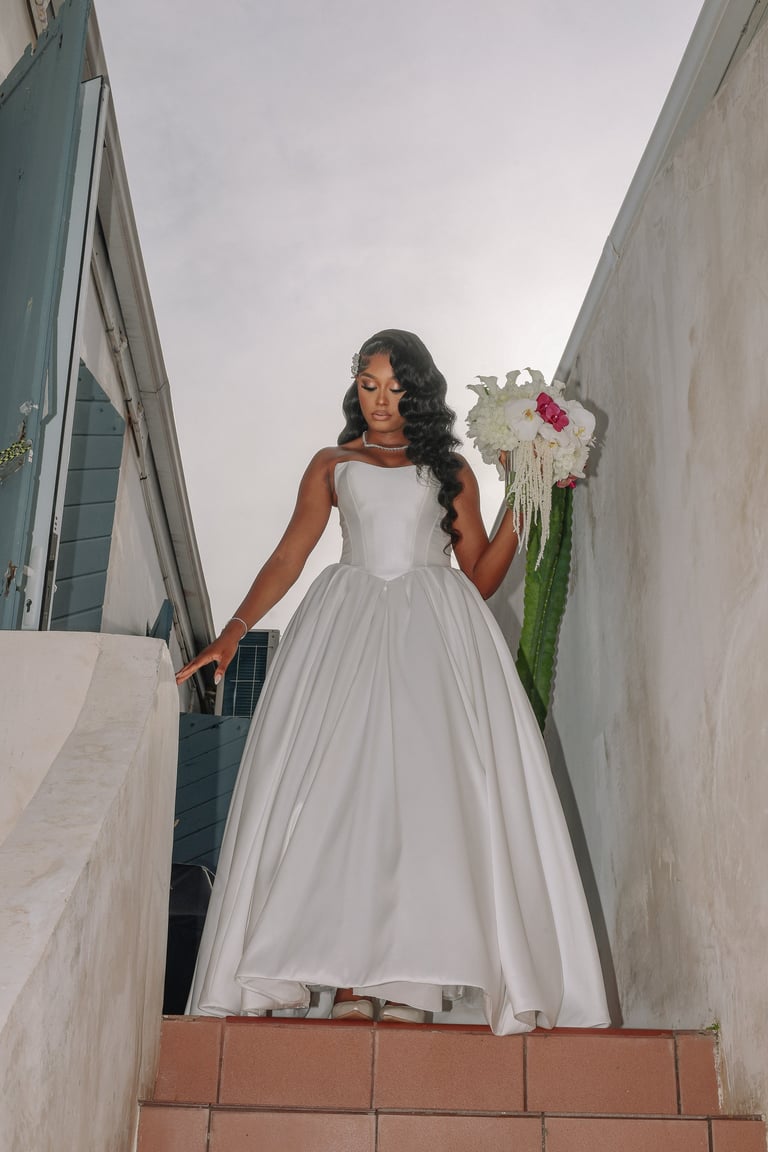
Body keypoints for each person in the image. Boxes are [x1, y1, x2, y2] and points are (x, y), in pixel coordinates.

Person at [176, 329, 609, 1032]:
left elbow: (484, 574)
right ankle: (348, 983)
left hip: (433, 637)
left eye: (395, 386)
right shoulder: (331, 465)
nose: (381, 400)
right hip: (344, 632)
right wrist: (232, 630)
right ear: (356, 388)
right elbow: (291, 554)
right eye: (369, 384)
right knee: (340, 797)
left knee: (428, 803)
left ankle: (415, 986)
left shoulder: (451, 470)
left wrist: (530, 493)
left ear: (419, 389)